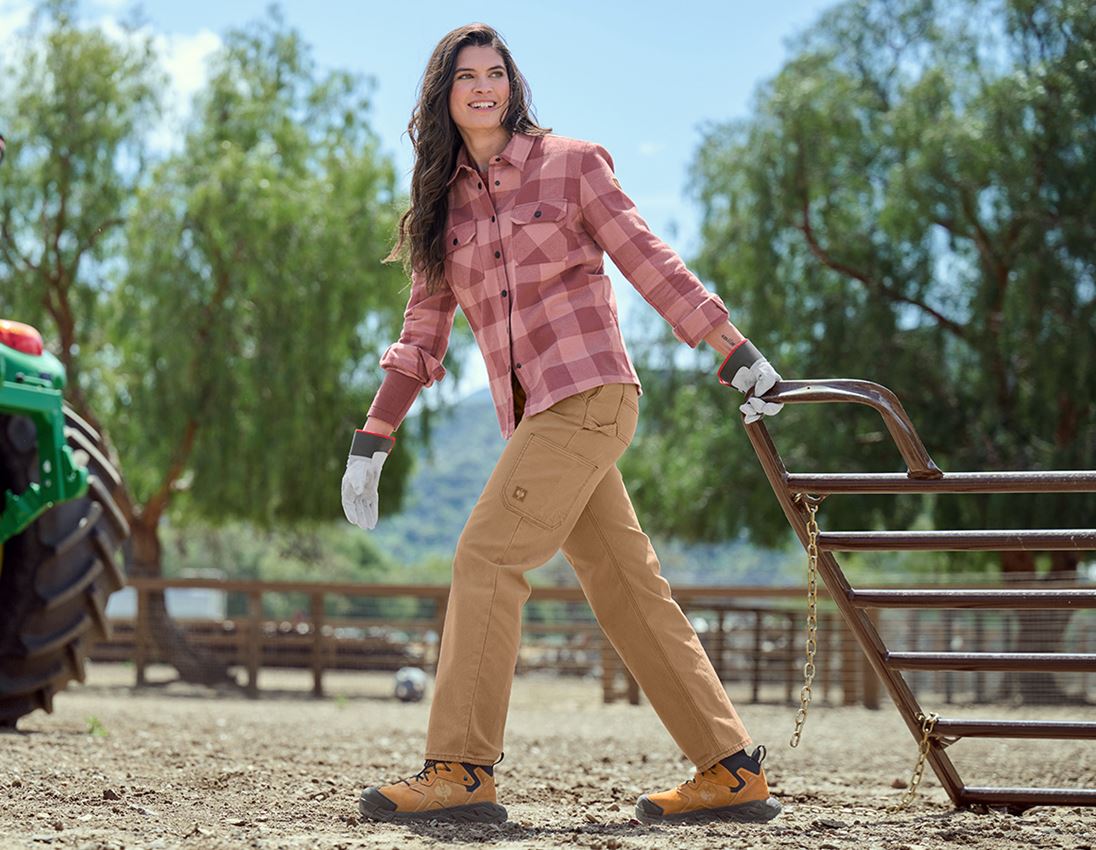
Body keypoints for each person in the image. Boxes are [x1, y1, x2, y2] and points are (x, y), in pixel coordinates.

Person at [341, 23, 784, 826]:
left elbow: (649, 259)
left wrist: (731, 347)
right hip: (534, 420)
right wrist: (373, 437)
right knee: (626, 588)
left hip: (589, 395)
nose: (484, 86)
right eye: (466, 75)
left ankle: (462, 771)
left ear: (512, 86)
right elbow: (421, 335)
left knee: (486, 553)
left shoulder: (572, 164)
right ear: (443, 94)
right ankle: (730, 770)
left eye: (496, 73)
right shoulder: (441, 209)